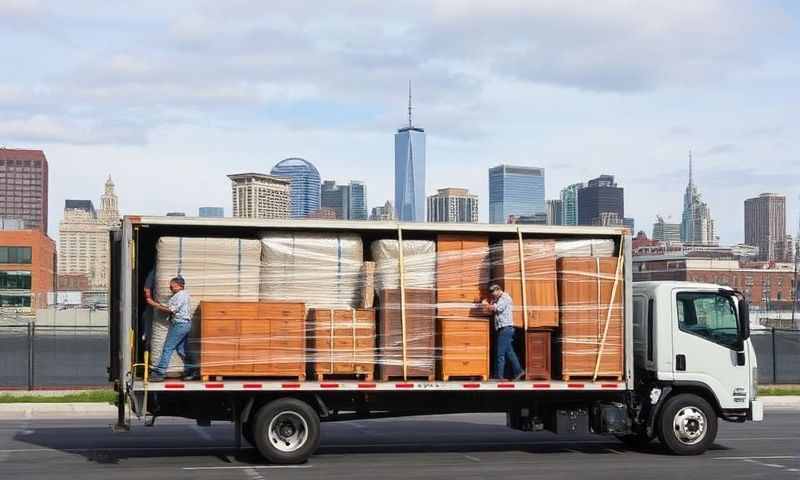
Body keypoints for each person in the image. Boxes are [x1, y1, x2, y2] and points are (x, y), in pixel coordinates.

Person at [149, 276, 197, 382]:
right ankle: (193, 369)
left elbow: (171, 310)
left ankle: (160, 373)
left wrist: (155, 304)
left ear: (178, 285)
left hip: (180, 325)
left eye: (172, 285)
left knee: (168, 348)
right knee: (181, 349)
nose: (170, 287)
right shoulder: (179, 295)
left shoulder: (181, 296)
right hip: (182, 325)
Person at [484, 284, 525, 381]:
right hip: (505, 329)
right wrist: (491, 303)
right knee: (509, 352)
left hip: (505, 329)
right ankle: (519, 371)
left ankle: (500, 376)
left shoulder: (505, 297)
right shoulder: (499, 299)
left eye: (493, 293)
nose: (493, 295)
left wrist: (486, 304)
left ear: (498, 290)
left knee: (500, 353)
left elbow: (497, 308)